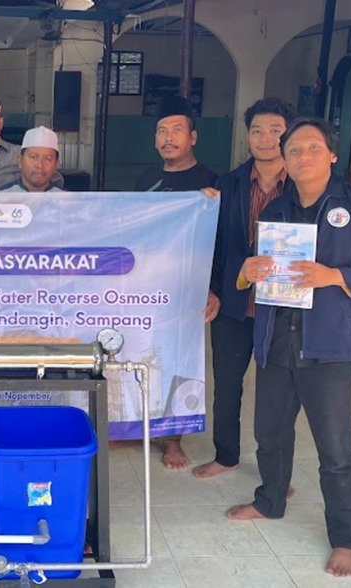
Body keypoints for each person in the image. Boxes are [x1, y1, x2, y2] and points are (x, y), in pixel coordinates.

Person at [226, 118, 351, 578]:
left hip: (330, 347)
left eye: (313, 148)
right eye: (294, 150)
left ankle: (345, 539)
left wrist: (334, 275)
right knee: (270, 434)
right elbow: (255, 270)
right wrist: (248, 271)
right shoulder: (277, 210)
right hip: (277, 341)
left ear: (332, 155)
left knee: (335, 449)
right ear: (284, 160)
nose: (303, 156)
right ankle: (270, 500)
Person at [193, 98, 298, 479]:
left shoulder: (304, 187)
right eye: (257, 130)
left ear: (288, 136)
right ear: (247, 136)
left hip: (283, 309)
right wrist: (211, 289)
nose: (265, 138)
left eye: (275, 131)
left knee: (278, 396)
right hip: (233, 306)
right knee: (227, 386)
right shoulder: (227, 185)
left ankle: (276, 475)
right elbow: (213, 244)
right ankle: (226, 455)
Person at [135, 95, 219, 470]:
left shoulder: (211, 183)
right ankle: (138, 423)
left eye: (177, 130)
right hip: (147, 284)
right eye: (162, 131)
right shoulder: (146, 178)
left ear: (193, 137)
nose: (168, 138)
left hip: (187, 288)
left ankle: (173, 439)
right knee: (142, 353)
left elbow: (218, 241)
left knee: (180, 358)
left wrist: (211, 287)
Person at [0, 126, 64, 192]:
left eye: (47, 158)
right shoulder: (1, 196)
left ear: (56, 165)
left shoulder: (65, 197)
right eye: (33, 157)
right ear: (20, 161)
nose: (40, 165)